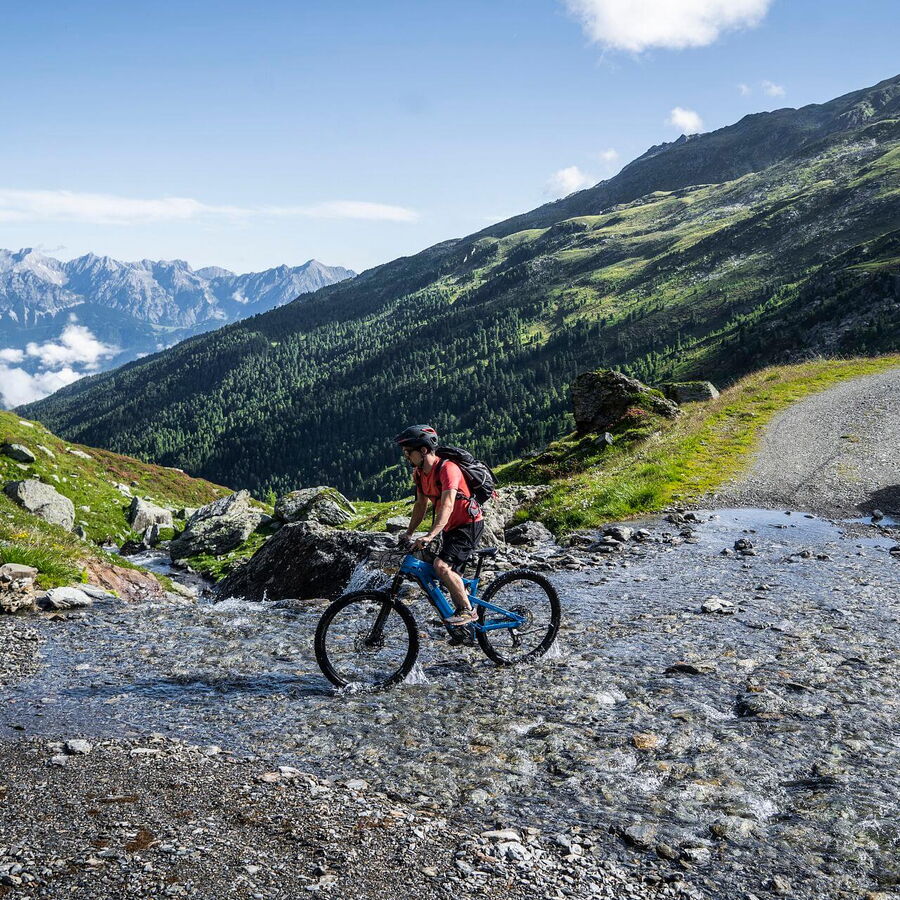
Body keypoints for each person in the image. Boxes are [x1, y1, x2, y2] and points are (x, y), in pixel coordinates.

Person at [394, 425, 484, 625]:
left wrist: (430, 535)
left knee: (441, 566)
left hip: (468, 525)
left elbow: (448, 504)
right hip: (449, 527)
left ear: (423, 450)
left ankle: (467, 611)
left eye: (409, 451)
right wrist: (408, 533)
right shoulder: (419, 473)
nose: (406, 456)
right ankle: (464, 629)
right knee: (440, 571)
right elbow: (420, 505)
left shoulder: (448, 469)